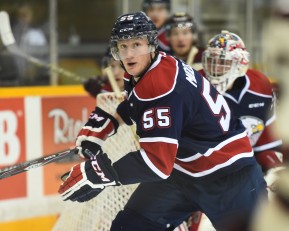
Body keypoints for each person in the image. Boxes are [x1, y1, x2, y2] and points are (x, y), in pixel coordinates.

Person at [58, 12, 267, 231]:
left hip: (229, 177)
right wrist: (106, 123)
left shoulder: (161, 86)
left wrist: (98, 173)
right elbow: (137, 104)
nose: (129, 54)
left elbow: (156, 163)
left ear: (151, 44)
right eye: (123, 46)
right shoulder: (152, 66)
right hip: (182, 174)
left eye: (136, 44)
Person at [191, 30, 285, 231]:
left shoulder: (260, 85)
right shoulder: (195, 84)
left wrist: (274, 168)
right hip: (201, 165)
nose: (215, 69)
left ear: (240, 63)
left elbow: (265, 140)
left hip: (244, 164)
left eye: (223, 62)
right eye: (212, 61)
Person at [12, 4, 48, 85]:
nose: (22, 19)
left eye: (25, 15)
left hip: (35, 79)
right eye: (20, 16)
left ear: (31, 17)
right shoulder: (14, 34)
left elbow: (44, 57)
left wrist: (34, 69)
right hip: (17, 77)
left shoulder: (37, 34)